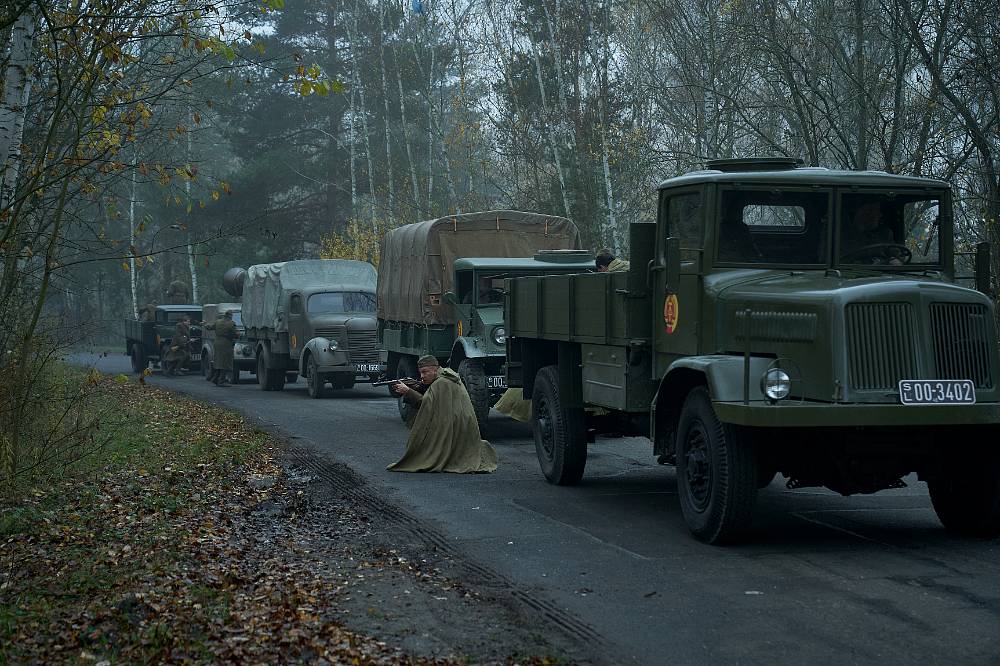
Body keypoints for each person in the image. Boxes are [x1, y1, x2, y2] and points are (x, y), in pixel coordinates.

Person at [387, 355, 498, 473]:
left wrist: (408, 391)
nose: (422, 376)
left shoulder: (441, 383)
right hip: (462, 426)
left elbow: (426, 404)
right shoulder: (447, 376)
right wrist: (418, 387)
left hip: (458, 430)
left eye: (425, 372)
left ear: (435, 370)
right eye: (420, 373)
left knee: (425, 446)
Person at [842, 201, 903, 265]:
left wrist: (895, 260)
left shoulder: (885, 234)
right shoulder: (842, 236)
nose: (880, 215)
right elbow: (844, 261)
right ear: (861, 212)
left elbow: (896, 256)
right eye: (873, 210)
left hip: (883, 273)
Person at [205, 310, 238, 386]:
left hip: (217, 343)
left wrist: (205, 324)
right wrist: (238, 335)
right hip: (226, 344)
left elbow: (209, 327)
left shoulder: (218, 322)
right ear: (230, 316)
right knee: (225, 362)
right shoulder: (231, 324)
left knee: (219, 362)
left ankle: (215, 378)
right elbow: (235, 334)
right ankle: (221, 381)